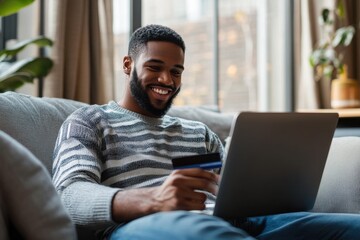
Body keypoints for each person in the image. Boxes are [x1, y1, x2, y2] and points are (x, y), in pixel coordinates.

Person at [52, 24, 360, 240]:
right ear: (128, 64)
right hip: (145, 227)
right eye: (154, 67)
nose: (166, 79)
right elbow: (68, 195)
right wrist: (154, 200)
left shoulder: (199, 132)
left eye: (176, 71)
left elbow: (232, 193)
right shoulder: (89, 121)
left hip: (236, 223)